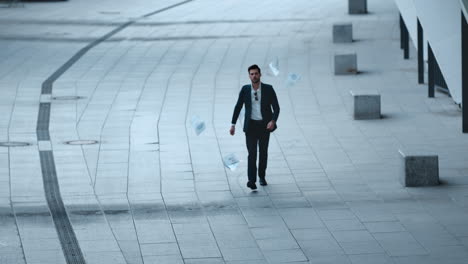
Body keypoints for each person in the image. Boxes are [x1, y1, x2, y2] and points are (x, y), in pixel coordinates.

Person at [230, 64, 280, 190]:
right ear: (249, 76)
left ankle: (262, 176)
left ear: (260, 74)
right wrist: (233, 124)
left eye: (256, 73)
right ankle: (251, 180)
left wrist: (273, 121)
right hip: (251, 126)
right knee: (252, 154)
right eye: (251, 74)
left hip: (264, 126)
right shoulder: (245, 90)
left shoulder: (268, 89)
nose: (254, 76)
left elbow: (276, 107)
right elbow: (238, 106)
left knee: (263, 153)